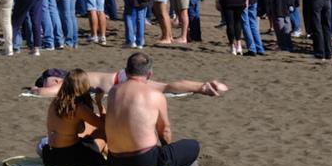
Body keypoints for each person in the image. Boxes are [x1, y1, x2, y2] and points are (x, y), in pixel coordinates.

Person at [105, 52, 201, 166]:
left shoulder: (113, 92)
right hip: (144, 161)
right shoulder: (155, 95)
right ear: (150, 74)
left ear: (126, 71)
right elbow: (164, 130)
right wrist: (167, 150)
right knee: (193, 146)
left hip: (115, 162)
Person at [42, 70, 107, 166]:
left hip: (50, 156)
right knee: (102, 134)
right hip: (68, 159)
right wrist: (99, 102)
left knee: (88, 134)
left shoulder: (56, 102)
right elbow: (105, 126)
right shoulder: (78, 107)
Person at [30, 67, 228, 98]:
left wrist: (35, 89)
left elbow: (49, 92)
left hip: (119, 81)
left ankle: (203, 87)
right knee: (164, 86)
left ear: (55, 79)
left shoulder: (67, 81)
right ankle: (202, 85)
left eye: (47, 82)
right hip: (118, 77)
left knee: (165, 88)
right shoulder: (78, 75)